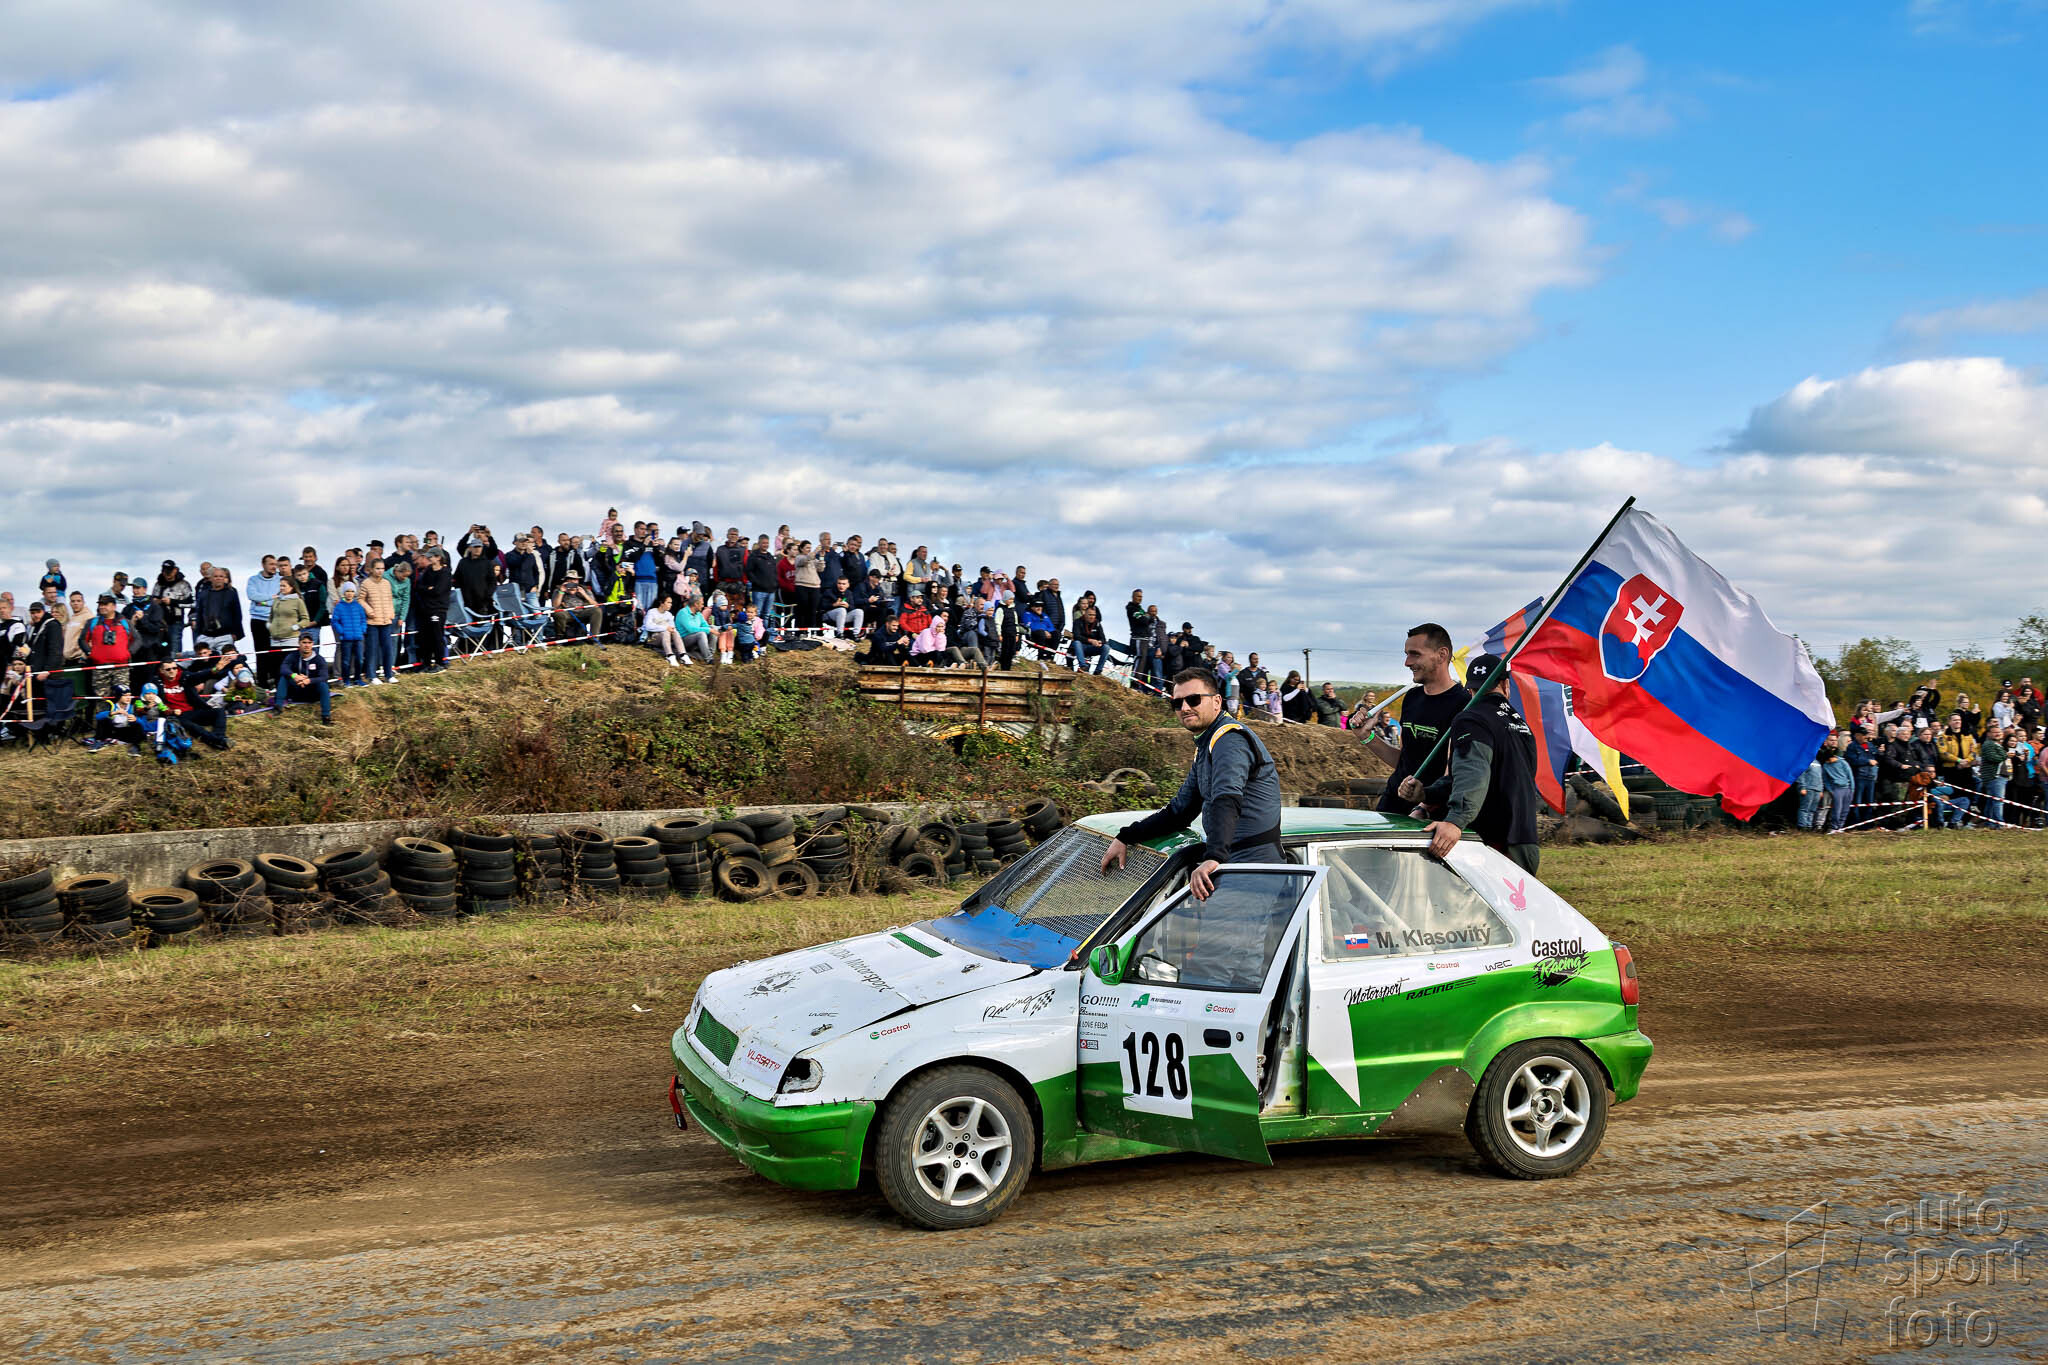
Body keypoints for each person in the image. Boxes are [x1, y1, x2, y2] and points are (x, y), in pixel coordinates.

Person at [1101, 666, 1284, 899]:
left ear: (1217, 701)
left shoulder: (1229, 739)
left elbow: (1226, 798)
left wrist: (1214, 856)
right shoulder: (1207, 745)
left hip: (1250, 871)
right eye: (1177, 703)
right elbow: (1179, 811)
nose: (1185, 708)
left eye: (1194, 699)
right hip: (1232, 865)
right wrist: (1126, 836)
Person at [1399, 654, 1541, 870]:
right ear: (1506, 685)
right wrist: (1426, 794)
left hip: (1493, 843)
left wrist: (1455, 821)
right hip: (1525, 839)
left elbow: (1473, 772)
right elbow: (1479, 775)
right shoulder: (1522, 725)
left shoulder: (1471, 719)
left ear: (1470, 689)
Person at [1377, 624, 1469, 816]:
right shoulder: (1412, 698)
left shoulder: (1464, 703)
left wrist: (1424, 807)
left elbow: (1456, 771)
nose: (1407, 662)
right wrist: (1366, 737)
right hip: (1392, 803)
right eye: (1406, 654)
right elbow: (1403, 760)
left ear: (1442, 655)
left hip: (1429, 812)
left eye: (1415, 654)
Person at [272, 634, 334, 725]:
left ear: (312, 644)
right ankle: (278, 707)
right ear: (299, 643)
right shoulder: (292, 656)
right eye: (304, 642)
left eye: (309, 643)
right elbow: (283, 668)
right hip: (296, 690)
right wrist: (295, 676)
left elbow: (324, 677)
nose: (307, 645)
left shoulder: (319, 659)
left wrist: (309, 680)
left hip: (312, 693)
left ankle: (326, 717)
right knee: (284, 677)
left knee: (323, 685)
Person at [413, 548, 453, 672]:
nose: (428, 558)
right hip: (426, 609)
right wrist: (428, 589)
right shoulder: (428, 571)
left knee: (437, 636)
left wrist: (428, 589)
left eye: (431, 556)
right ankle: (426, 663)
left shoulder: (445, 573)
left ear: (438, 557)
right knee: (425, 637)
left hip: (438, 609)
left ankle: (440, 662)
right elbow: (418, 587)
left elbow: (438, 591)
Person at [331, 584, 369, 686]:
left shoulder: (358, 606)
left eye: (352, 591)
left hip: (358, 637)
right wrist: (342, 631)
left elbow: (363, 619)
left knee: (360, 659)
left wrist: (362, 630)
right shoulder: (339, 606)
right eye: (347, 591)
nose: (350, 593)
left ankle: (358, 679)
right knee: (346, 661)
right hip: (346, 638)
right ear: (344, 593)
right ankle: (346, 680)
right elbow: (335, 621)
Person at [1821, 737, 1855, 832]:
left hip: (1847, 788)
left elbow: (1850, 776)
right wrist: (1831, 790)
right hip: (1836, 789)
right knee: (1837, 809)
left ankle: (1840, 826)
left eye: (1829, 760)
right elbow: (1826, 780)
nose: (1828, 762)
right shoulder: (1826, 766)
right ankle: (1834, 826)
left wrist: (1852, 789)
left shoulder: (1843, 763)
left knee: (1845, 809)